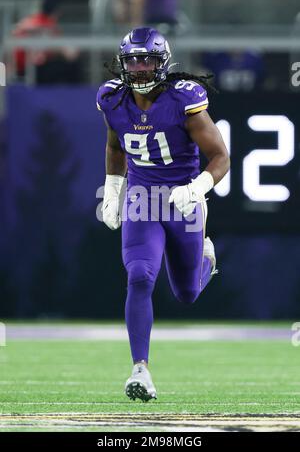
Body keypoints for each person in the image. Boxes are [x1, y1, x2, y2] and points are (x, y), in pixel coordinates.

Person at [96, 27, 230, 402]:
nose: (139, 70)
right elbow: (115, 146)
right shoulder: (112, 98)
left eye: (147, 61)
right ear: (122, 65)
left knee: (186, 293)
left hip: (182, 199)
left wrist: (197, 189)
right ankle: (140, 368)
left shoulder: (183, 100)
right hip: (141, 197)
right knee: (140, 275)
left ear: (162, 64)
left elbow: (221, 157)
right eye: (133, 62)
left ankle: (206, 257)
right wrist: (113, 191)